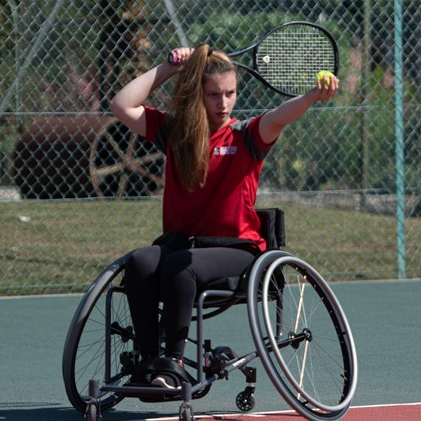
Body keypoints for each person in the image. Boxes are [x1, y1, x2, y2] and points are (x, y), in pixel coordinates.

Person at [109, 44, 339, 389]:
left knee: (179, 266)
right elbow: (121, 105)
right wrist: (168, 67)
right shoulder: (177, 134)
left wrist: (310, 96)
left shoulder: (246, 136)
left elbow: (279, 115)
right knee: (140, 262)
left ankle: (172, 365)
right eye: (214, 94)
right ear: (197, 95)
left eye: (230, 93)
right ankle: (148, 360)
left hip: (236, 251)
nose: (223, 103)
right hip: (181, 244)